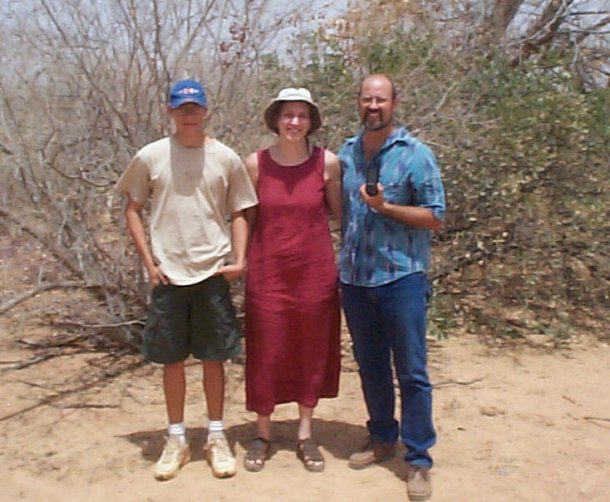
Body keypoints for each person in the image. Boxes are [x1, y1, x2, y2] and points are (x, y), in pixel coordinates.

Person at [115, 79, 258, 481]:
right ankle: (176, 437)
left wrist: (240, 260)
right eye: (181, 107)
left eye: (194, 107)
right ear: (170, 111)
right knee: (172, 359)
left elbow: (241, 211)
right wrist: (149, 262)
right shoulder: (151, 156)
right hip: (169, 274)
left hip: (212, 270)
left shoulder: (226, 158)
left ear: (206, 110)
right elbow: (133, 209)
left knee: (214, 357)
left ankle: (216, 435)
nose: (188, 114)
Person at [338, 74, 446, 501]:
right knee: (371, 366)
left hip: (402, 277)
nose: (373, 107)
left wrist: (386, 207)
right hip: (355, 279)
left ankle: (418, 458)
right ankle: (383, 436)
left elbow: (435, 216)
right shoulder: (345, 154)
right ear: (358, 103)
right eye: (367, 99)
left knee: (412, 372)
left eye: (381, 100)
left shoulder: (416, 155)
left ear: (394, 103)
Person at [242, 88, 342, 473]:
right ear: (275, 119)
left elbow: (340, 216)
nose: (294, 122)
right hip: (268, 274)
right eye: (288, 115)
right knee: (267, 352)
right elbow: (245, 219)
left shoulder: (327, 164)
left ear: (312, 121)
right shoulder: (255, 165)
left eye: (302, 115)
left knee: (311, 351)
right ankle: (263, 433)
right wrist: (238, 260)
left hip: (315, 275)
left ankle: (305, 434)